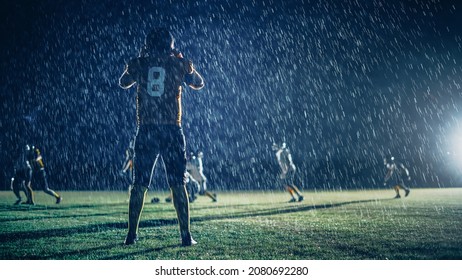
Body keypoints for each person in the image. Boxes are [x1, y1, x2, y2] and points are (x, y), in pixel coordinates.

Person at [119, 28, 204, 246]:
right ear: (170, 45)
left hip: (146, 128)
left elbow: (123, 82)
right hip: (171, 129)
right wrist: (183, 61)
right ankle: (186, 235)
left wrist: (138, 60)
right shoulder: (178, 63)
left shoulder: (140, 63)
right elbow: (198, 83)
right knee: (178, 183)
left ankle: (131, 234)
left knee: (139, 184)